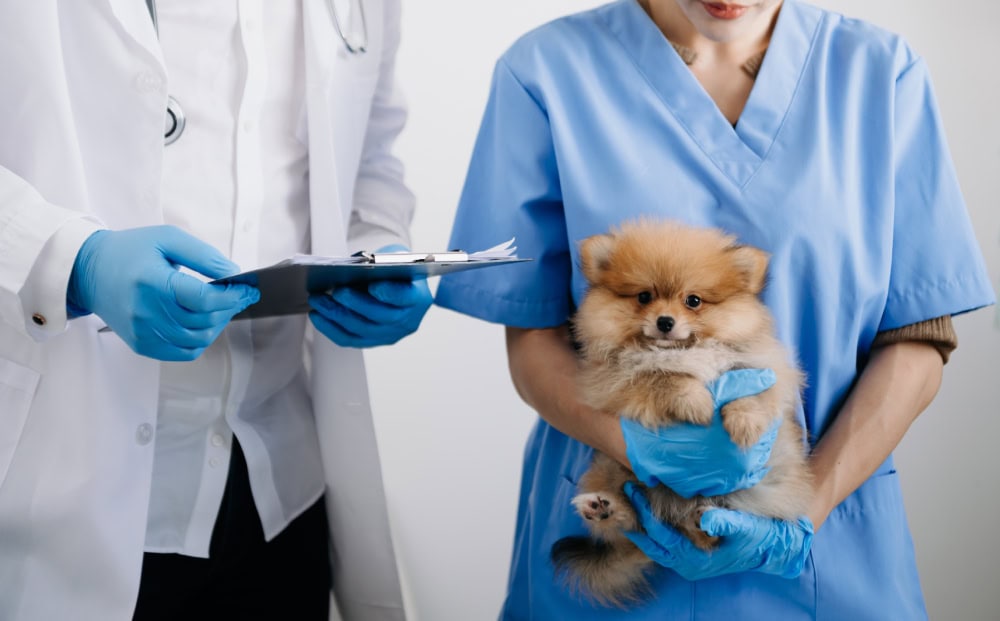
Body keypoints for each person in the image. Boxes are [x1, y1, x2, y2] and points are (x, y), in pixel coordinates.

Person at [435, 0, 996, 618]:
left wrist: (806, 512)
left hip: (830, 555)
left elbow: (917, 335)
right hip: (618, 538)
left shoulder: (879, 73)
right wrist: (631, 441)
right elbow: (531, 333)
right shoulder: (546, 71)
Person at [0, 1, 429, 620]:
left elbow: (370, 157)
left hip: (278, 486)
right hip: (66, 486)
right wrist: (73, 261)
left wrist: (381, 249)